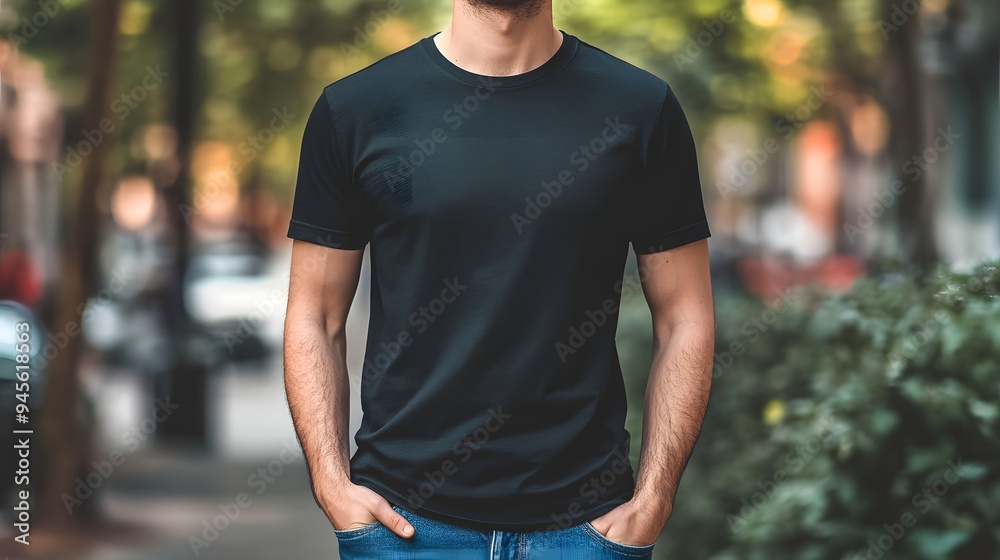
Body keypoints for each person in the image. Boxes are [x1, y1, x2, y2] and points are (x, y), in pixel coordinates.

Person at [283, 0, 715, 557]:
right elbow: (313, 316)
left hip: (586, 530)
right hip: (403, 528)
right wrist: (331, 485)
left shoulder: (640, 108)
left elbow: (686, 316)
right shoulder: (356, 109)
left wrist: (654, 501)